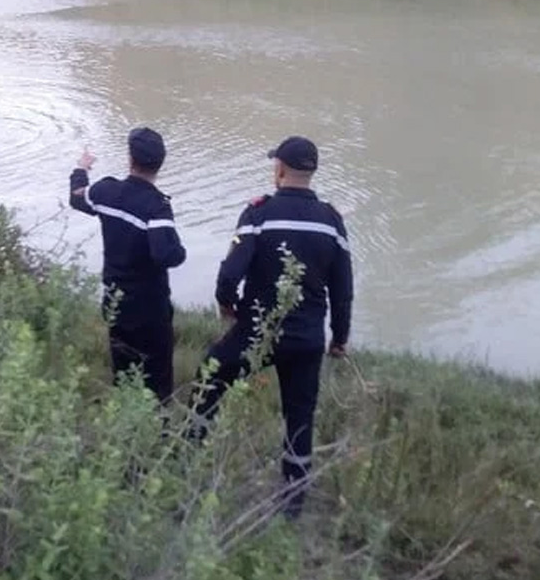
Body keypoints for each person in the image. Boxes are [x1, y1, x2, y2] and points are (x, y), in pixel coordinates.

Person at [187, 136, 353, 520]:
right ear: (311, 173)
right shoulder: (332, 221)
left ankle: (188, 457)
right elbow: (343, 291)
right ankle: (293, 504)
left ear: (279, 169)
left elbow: (229, 273)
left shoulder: (258, 213)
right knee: (300, 416)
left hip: (257, 333)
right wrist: (339, 339)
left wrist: (227, 307)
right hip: (308, 338)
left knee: (210, 377)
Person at [69, 127, 187, 404]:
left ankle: (124, 424)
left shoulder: (106, 191)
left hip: (115, 298)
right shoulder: (157, 207)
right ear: (160, 163)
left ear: (130, 159)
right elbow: (166, 255)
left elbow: (76, 197)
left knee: (123, 367)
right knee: (157, 376)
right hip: (150, 307)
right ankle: (159, 434)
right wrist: (180, 251)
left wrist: (81, 167)